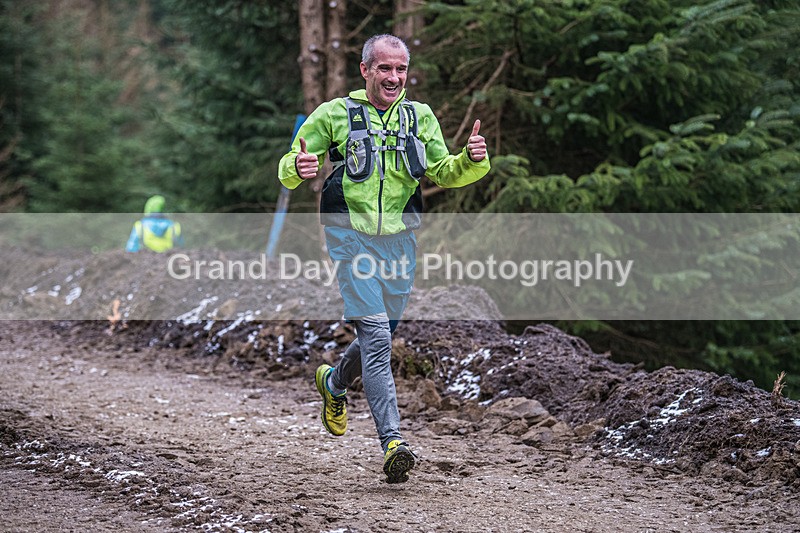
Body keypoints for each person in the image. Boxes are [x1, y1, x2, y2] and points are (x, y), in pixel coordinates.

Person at [278, 34, 490, 483]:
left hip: (400, 243)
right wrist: (298, 169)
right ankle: (393, 440)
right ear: (365, 70)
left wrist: (472, 161)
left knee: (383, 334)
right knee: (376, 338)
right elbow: (292, 162)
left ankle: (334, 384)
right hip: (348, 236)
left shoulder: (420, 117)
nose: (393, 78)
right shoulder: (336, 113)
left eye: (400, 70)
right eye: (384, 69)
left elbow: (443, 171)